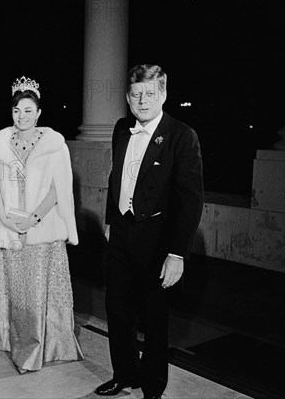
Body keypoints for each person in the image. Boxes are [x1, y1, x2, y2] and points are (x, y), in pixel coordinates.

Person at [95, 65, 203, 399]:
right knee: (117, 309)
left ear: (164, 95)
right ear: (128, 97)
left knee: (154, 317)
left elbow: (191, 200)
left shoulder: (181, 135)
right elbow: (118, 180)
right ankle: (124, 374)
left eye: (151, 93)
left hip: (158, 240)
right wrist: (113, 224)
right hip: (122, 235)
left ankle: (153, 387)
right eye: (137, 94)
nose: (143, 100)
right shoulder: (120, 128)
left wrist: (177, 254)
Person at [0, 76, 83, 373]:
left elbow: (58, 188)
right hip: (7, 226)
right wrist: (4, 216)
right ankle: (3, 337)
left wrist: (33, 218)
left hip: (42, 227)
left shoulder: (54, 144)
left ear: (38, 112)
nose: (21, 116)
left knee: (36, 292)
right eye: (16, 111)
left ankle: (39, 347)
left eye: (27, 110)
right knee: (10, 289)